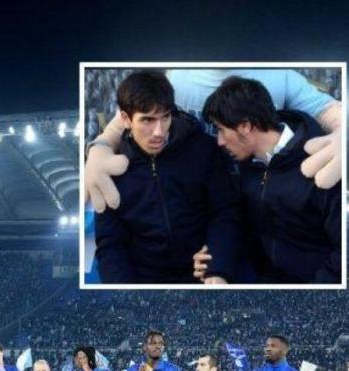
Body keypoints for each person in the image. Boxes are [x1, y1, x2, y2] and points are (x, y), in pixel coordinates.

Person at [85, 68, 342, 214]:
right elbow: (132, 116)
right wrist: (101, 146)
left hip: (259, 192)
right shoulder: (178, 78)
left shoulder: (280, 75)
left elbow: (328, 109)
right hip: (201, 196)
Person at [93, 70, 238, 284]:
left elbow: (226, 213)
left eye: (165, 117)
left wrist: (217, 265)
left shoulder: (203, 149)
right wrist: (124, 294)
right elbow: (111, 245)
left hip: (202, 274)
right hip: (144, 281)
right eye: (147, 120)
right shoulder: (108, 169)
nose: (159, 131)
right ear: (125, 119)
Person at [198, 76, 340, 283]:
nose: (218, 141)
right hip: (264, 280)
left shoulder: (325, 164)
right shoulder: (249, 166)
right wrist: (217, 263)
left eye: (221, 129)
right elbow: (236, 220)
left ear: (245, 126)